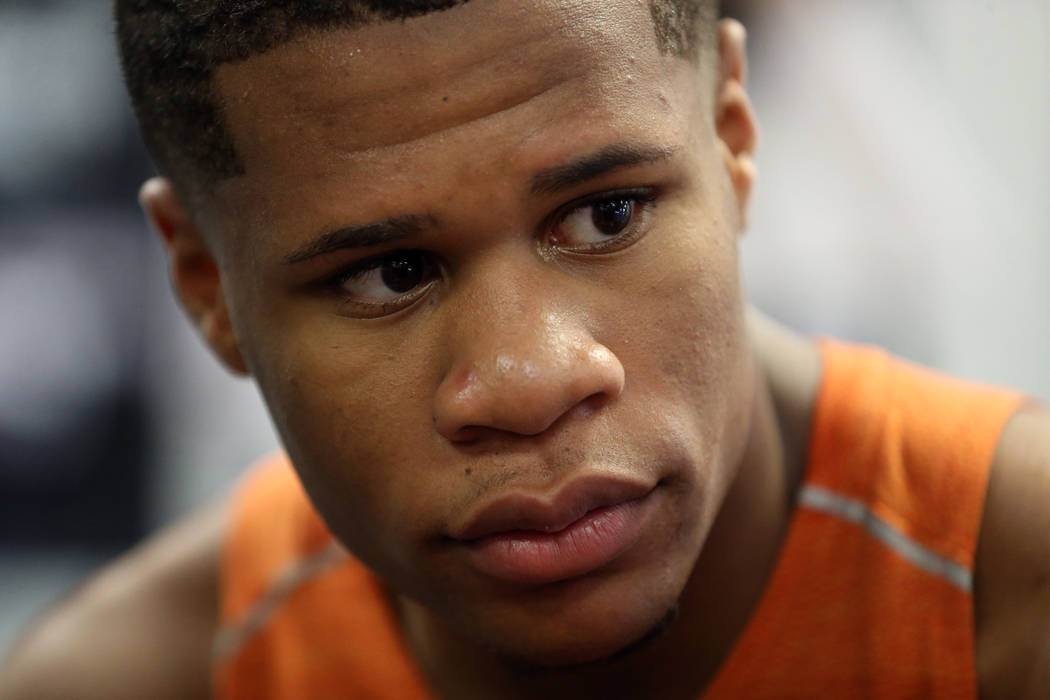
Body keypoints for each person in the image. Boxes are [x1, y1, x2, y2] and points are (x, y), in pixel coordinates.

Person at [2, 1, 1048, 697]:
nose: (530, 380)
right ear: (205, 287)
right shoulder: (147, 678)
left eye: (607, 215)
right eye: (389, 274)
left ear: (733, 137)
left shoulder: (1012, 588)